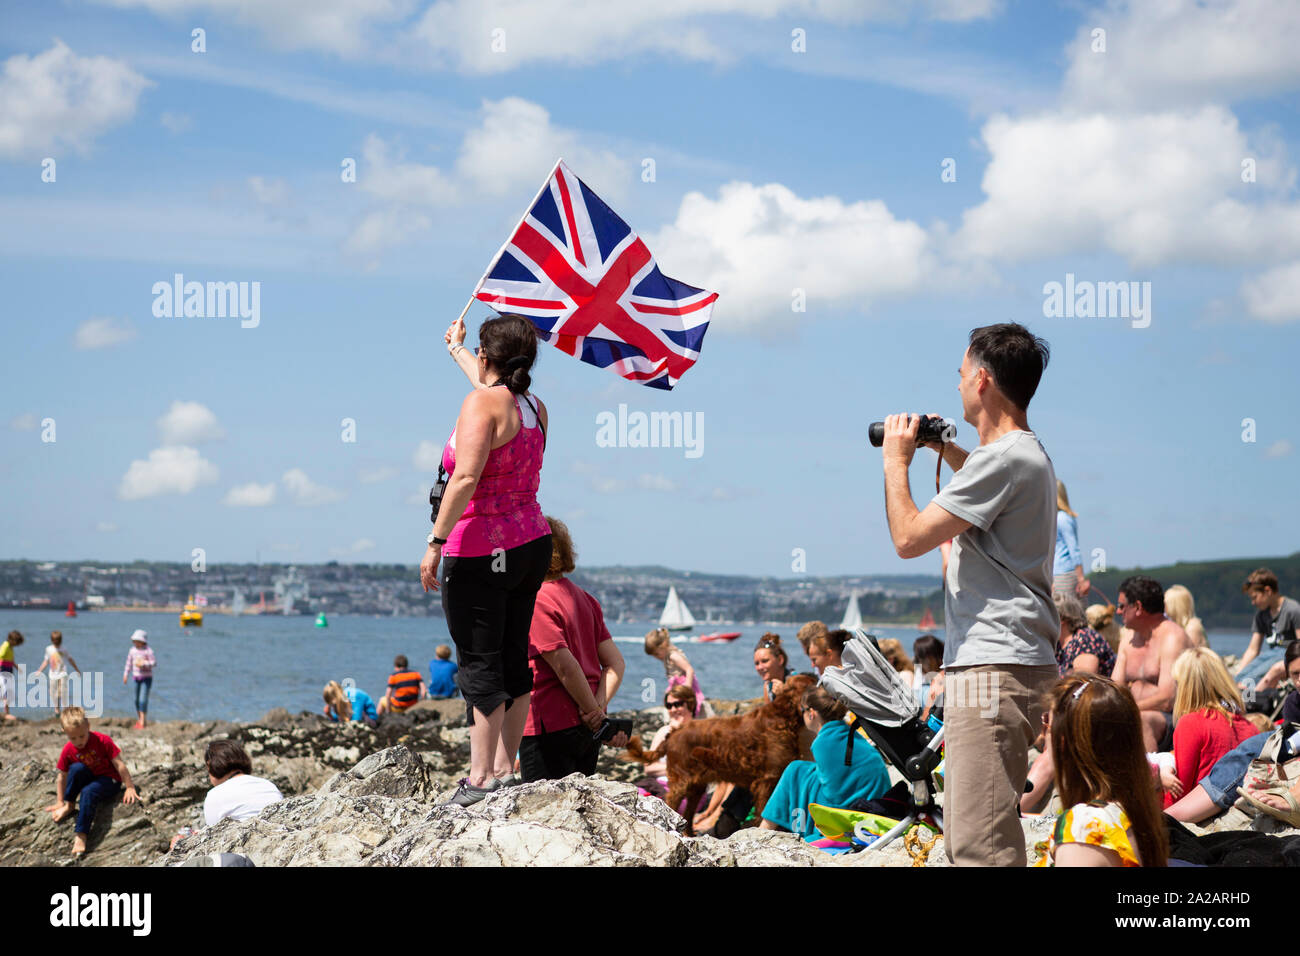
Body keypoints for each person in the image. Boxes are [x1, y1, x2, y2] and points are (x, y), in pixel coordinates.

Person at [881, 322, 1059, 866]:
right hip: (1019, 661)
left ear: (981, 379)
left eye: (960, 375)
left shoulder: (1001, 460)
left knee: (976, 844)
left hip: (990, 668)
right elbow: (988, 491)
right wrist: (951, 449)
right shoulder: (1025, 456)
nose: (957, 386)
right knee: (979, 828)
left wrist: (896, 461)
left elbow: (909, 538)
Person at [421, 313, 552, 808]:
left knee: (479, 660)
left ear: (486, 355)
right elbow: (494, 393)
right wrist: (456, 348)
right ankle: (503, 767)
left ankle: (479, 781)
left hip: (478, 547)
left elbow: (465, 477)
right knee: (513, 653)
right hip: (530, 544)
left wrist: (436, 541)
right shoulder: (535, 407)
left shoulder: (481, 405)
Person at [520, 516, 627, 782]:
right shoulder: (586, 598)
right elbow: (615, 664)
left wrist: (592, 711)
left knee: (542, 814)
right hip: (586, 727)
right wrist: (598, 710)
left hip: (549, 722)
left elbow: (565, 666)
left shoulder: (536, 599)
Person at [1034, 676, 1168, 867]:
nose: (1043, 733)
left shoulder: (1084, 827)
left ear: (1064, 742)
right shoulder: (1135, 814)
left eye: (1047, 723)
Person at [758, 685, 891, 841]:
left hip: (852, 814)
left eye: (802, 711)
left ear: (811, 713)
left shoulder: (824, 742)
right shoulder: (846, 732)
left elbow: (834, 796)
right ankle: (764, 831)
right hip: (873, 803)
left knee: (794, 772)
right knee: (799, 770)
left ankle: (762, 833)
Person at [1163, 648, 1258, 809]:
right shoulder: (1251, 728)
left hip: (1198, 819)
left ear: (1186, 687)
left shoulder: (1191, 723)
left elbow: (1179, 792)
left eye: (1178, 683)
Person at [1111, 576, 1196, 752]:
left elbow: (1168, 699)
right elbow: (1114, 688)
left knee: (1142, 721)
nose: (1118, 612)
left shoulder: (1172, 638)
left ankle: (1149, 776)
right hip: (1132, 714)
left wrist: (1125, 711)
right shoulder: (1127, 638)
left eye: (1121, 606)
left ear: (1138, 607)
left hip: (1171, 720)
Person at [44, 706, 139, 857]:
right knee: (75, 769)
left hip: (110, 780)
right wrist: (60, 801)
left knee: (88, 792)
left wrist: (129, 787)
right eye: (73, 738)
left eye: (82, 736)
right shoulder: (69, 749)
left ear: (88, 726)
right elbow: (62, 776)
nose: (78, 741)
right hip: (91, 776)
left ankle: (81, 834)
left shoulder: (103, 741)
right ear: (65, 733)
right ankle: (69, 805)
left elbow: (119, 765)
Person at [1236, 568, 1300, 691]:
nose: (1253, 602)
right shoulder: (1261, 615)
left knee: (1249, 681)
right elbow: (1253, 650)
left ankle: (1250, 703)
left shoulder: (1293, 610)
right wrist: (1239, 674)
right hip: (1272, 654)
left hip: (1288, 654)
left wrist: (1286, 668)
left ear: (1268, 591)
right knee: (1238, 679)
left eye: (1255, 597)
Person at [644, 626, 710, 716]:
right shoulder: (667, 657)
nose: (656, 657)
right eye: (653, 655)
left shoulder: (673, 656)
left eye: (657, 654)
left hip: (685, 685)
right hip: (677, 686)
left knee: (687, 709)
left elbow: (689, 669)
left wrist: (687, 688)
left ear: (664, 645)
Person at [1054, 593, 1115, 677]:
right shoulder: (1058, 643)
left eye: (1047, 614)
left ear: (1062, 618)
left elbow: (1082, 680)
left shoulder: (1086, 639)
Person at [1053, 479, 1090, 604]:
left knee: (1066, 615)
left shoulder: (1061, 519)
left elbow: (1073, 549)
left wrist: (1081, 579)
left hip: (1064, 574)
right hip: (1059, 574)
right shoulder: (1062, 518)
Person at [35, 630, 81, 715]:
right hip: (52, 675)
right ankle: (57, 710)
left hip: (63, 673)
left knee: (63, 691)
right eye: (55, 641)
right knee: (54, 693)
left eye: (58, 641)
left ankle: (64, 710)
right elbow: (46, 661)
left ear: (61, 640)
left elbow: (70, 659)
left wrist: (77, 669)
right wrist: (39, 671)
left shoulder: (64, 649)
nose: (56, 643)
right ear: (52, 640)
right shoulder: (49, 649)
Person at [122, 629, 155, 729]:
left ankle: (142, 721)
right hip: (136, 677)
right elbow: (129, 663)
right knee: (136, 700)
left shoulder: (148, 651)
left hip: (146, 678)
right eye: (134, 641)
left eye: (137, 641)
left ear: (142, 641)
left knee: (143, 699)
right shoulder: (132, 651)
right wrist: (125, 674)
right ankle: (140, 719)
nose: (135, 643)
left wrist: (144, 664)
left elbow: (154, 663)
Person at [753, 634, 792, 702]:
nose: (760, 667)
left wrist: (784, 694)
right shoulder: (768, 686)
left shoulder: (796, 682)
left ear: (780, 660)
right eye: (757, 663)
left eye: (765, 661)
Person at [912, 634, 945, 714]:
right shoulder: (920, 674)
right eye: (918, 657)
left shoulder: (944, 677)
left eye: (922, 657)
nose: (920, 661)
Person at [1, 630, 23, 721]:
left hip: (8, 671)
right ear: (12, 640)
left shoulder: (10, 647)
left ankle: (7, 712)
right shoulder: (5, 645)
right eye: (16, 643)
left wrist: (17, 667)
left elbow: (11, 660)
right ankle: (6, 714)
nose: (16, 645)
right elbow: (1, 655)